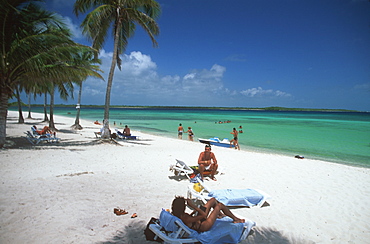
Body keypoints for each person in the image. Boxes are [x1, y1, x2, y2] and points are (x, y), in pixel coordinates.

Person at [171, 196, 245, 233]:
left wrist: (195, 212)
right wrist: (194, 206)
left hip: (197, 221)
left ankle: (220, 214)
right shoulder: (185, 218)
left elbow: (192, 219)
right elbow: (203, 215)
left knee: (213, 200)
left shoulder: (177, 214)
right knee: (220, 205)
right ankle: (235, 219)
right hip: (203, 226)